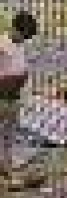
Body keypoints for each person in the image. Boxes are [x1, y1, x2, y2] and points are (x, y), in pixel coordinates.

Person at [0, 11, 38, 186]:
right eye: (22, 35)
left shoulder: (18, 47)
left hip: (13, 99)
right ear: (14, 28)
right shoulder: (2, 45)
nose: (23, 39)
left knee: (8, 138)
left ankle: (7, 172)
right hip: (3, 97)